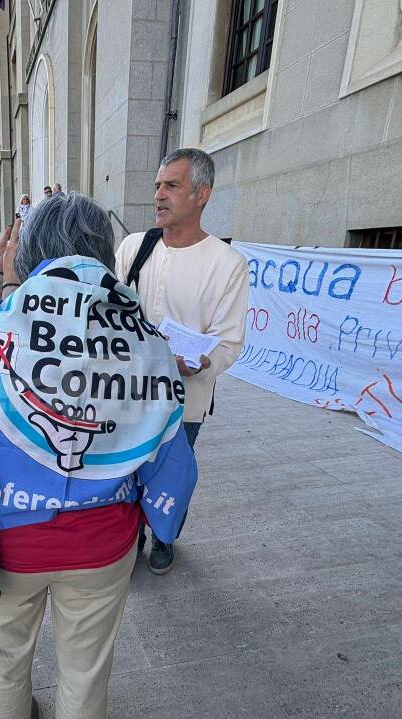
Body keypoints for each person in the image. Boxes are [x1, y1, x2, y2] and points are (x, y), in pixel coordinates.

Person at [0, 193, 197, 719]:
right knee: (85, 673)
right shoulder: (143, 333)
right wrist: (162, 517)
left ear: (31, 251)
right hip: (103, 541)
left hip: (7, 543)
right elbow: (169, 448)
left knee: (3, 665)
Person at [114, 147, 249, 575]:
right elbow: (112, 315)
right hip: (129, 393)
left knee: (172, 473)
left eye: (171, 185)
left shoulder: (228, 264)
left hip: (186, 398)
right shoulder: (134, 248)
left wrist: (197, 362)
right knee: (126, 470)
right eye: (157, 185)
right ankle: (128, 537)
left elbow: (228, 342)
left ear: (202, 194)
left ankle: (164, 537)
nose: (159, 195)